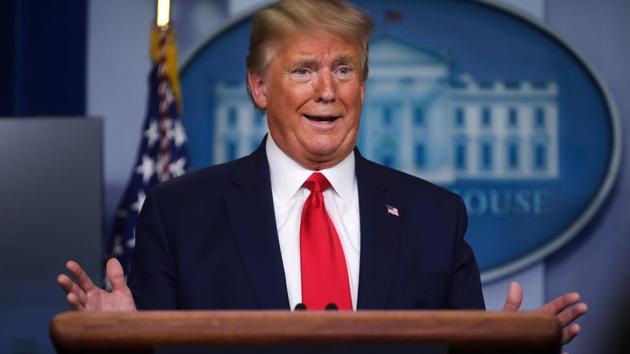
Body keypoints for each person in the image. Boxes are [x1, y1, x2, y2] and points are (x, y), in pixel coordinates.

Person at [57, 0, 587, 346]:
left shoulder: (434, 215)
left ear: (362, 84)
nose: (327, 91)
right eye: (303, 70)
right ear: (259, 88)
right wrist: (118, 339)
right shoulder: (180, 213)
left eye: (344, 70)